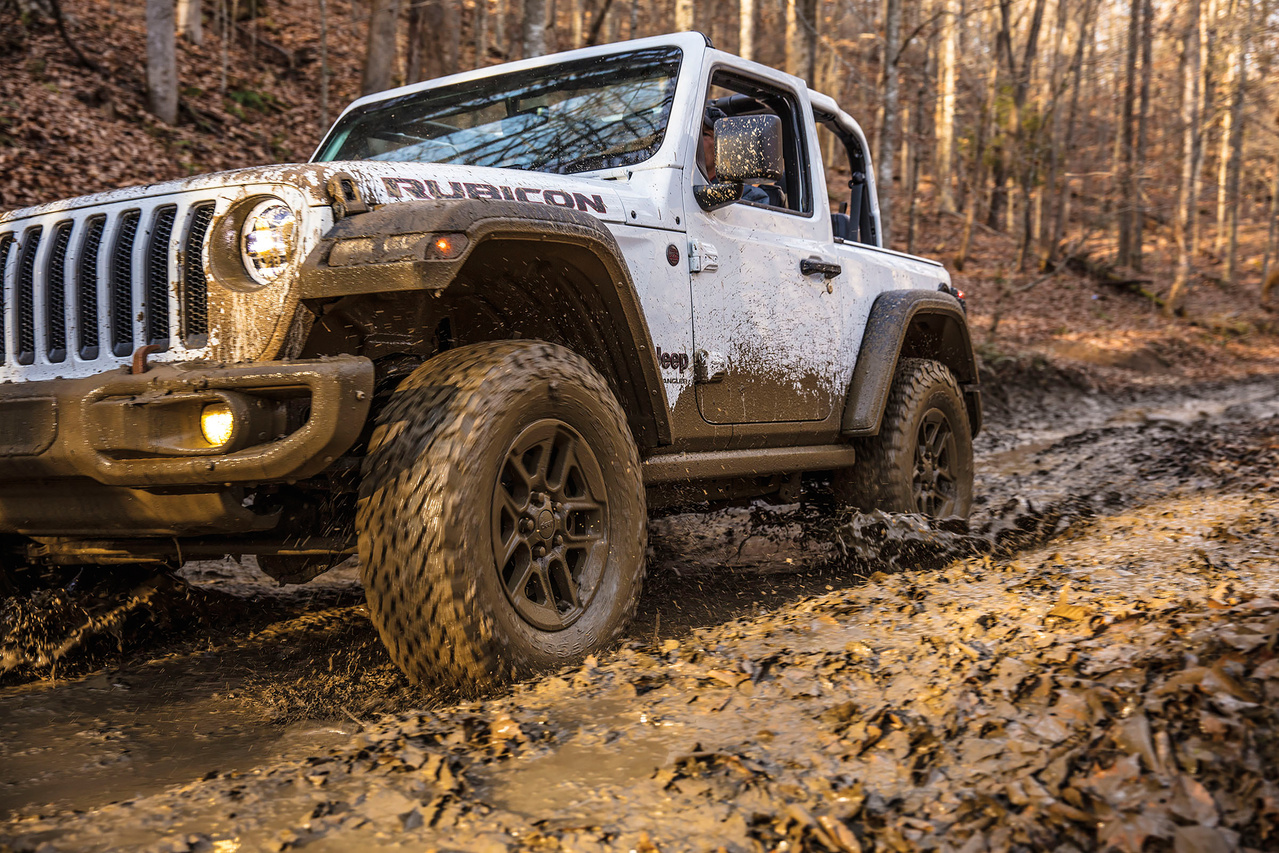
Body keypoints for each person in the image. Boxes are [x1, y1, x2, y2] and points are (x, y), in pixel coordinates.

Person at [697, 103, 774, 205]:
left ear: (723, 147)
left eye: (705, 134)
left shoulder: (748, 197)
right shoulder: (676, 183)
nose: (696, 140)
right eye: (695, 133)